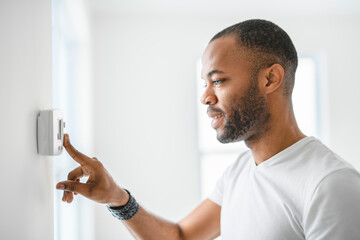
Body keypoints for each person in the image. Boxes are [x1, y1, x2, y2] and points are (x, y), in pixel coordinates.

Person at [56, 19, 360, 239]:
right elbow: (179, 237)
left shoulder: (330, 184)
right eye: (205, 83)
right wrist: (117, 198)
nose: (205, 96)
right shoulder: (240, 170)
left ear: (270, 79)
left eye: (219, 80)